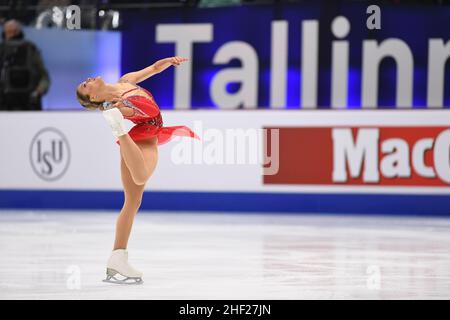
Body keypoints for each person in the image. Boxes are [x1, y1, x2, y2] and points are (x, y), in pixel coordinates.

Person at [76, 56, 200, 284]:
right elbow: (128, 110)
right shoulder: (119, 106)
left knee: (132, 202)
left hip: (142, 137)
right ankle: (119, 132)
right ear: (93, 97)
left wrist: (167, 62)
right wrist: (118, 115)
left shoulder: (126, 81)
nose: (87, 79)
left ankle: (117, 257)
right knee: (141, 176)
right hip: (141, 139)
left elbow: (152, 68)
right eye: (85, 85)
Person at [0, 19, 50, 110]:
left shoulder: (31, 49)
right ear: (4, 33)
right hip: (4, 102)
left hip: (28, 100)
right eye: (9, 32)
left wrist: (39, 91)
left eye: (14, 32)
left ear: (19, 32)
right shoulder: (2, 50)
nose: (12, 35)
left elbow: (44, 77)